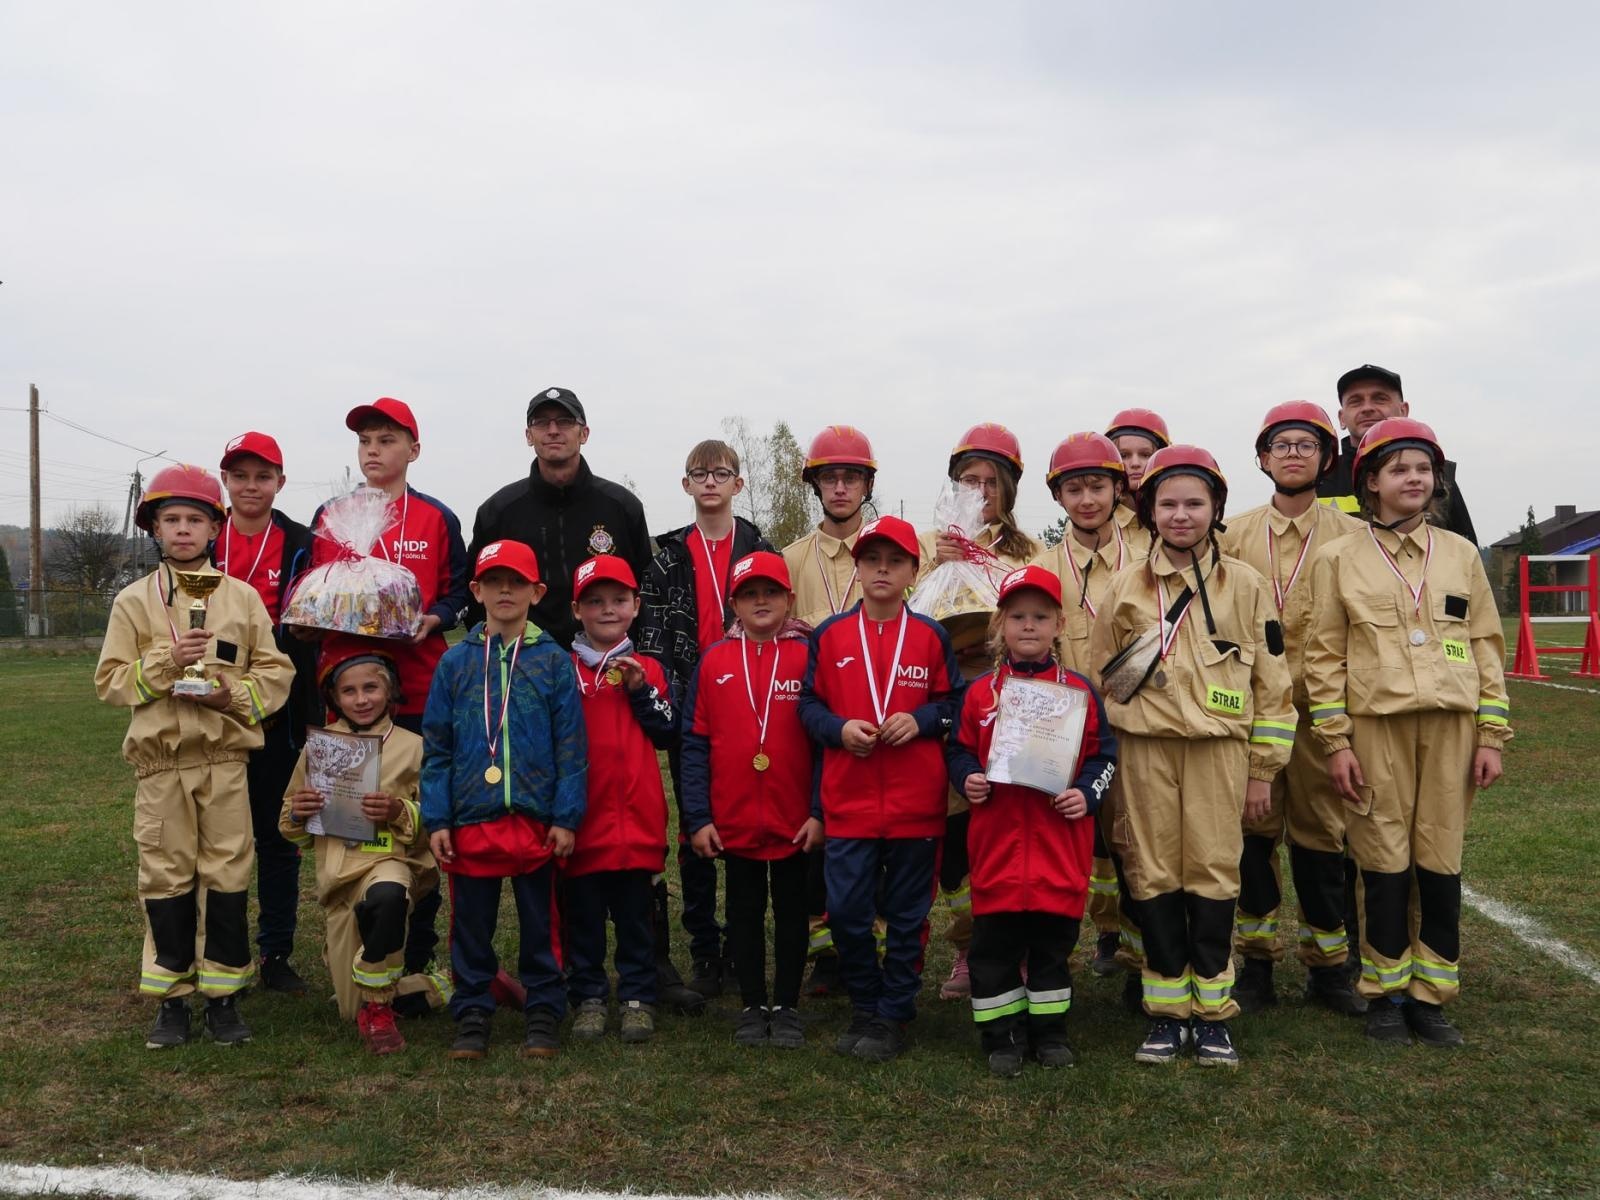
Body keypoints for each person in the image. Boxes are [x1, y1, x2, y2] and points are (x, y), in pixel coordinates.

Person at [1304, 418, 1509, 1047]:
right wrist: (1336, 742)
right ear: (1370, 481)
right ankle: (1386, 993)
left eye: (1424, 468)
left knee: (1440, 861)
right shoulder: (1339, 557)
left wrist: (1491, 733)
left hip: (1451, 727)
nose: (1414, 478)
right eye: (1398, 469)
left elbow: (1485, 644)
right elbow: (1323, 655)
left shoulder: (1461, 554)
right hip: (1375, 729)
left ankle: (1431, 996)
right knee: (1383, 861)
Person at [1087, 446, 1294, 1068]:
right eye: (1168, 503)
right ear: (1149, 510)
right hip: (1144, 753)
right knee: (1151, 876)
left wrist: (1262, 772)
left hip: (1219, 756)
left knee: (1213, 874)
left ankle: (1213, 1015)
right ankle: (1166, 1011)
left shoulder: (1248, 587)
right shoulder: (1123, 588)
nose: (1181, 515)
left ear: (1216, 508)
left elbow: (1273, 688)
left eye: (1195, 503)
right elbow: (1102, 678)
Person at [95, 464, 293, 1048]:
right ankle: (172, 1000)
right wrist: (166, 662)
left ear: (215, 528)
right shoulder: (132, 602)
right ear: (155, 528)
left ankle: (224, 996)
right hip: (161, 768)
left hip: (225, 763)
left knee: (227, 875)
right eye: (172, 519)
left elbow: (276, 673)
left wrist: (231, 696)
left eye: (195, 520)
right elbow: (110, 681)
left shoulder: (242, 599)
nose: (183, 530)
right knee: (165, 877)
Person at [305, 397, 470, 1001]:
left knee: (418, 829)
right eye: (365, 441)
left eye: (387, 440)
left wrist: (436, 617)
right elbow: (310, 591)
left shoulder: (436, 517)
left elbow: (461, 593)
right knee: (349, 827)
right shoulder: (331, 516)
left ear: (413, 450)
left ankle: (414, 960)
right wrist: (310, 617)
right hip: (347, 697)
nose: (373, 451)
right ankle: (358, 959)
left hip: (421, 693)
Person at [1216, 403, 1366, 1017]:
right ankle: (1255, 965)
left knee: (1321, 839)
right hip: (1250, 713)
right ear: (1263, 458)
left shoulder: (1353, 537)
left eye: (1307, 445)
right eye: (1281, 445)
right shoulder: (1231, 535)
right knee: (1252, 838)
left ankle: (1329, 967)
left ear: (1327, 459)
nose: (1294, 454)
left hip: (1322, 714)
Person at [799, 515, 965, 1062]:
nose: (882, 570)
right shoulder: (830, 635)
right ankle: (866, 1003)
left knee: (907, 917)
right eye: (872, 560)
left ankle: (893, 1012)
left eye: (895, 561)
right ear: (858, 567)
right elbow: (808, 707)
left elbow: (953, 704)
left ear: (914, 571)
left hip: (916, 804)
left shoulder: (931, 636)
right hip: (848, 802)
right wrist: (839, 729)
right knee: (847, 912)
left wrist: (920, 721)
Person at [946, 564, 1118, 1076]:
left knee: (1052, 948)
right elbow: (958, 751)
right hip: (997, 847)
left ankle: (1050, 1034)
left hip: (1057, 847)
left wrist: (1086, 794)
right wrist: (967, 777)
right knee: (993, 949)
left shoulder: (1080, 694)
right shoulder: (981, 693)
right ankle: (1001, 1037)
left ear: (1059, 625)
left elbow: (1103, 757)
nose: (1028, 625)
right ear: (999, 625)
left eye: (1040, 617)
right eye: (1017, 616)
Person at [420, 540, 587, 1060]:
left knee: (542, 923)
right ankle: (473, 1010)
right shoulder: (454, 663)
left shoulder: (554, 661)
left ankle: (544, 1009)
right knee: (471, 926)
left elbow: (572, 747)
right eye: (494, 582)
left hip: (537, 820)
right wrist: (437, 818)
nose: (506, 591)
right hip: (471, 818)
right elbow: (437, 747)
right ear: (476, 590)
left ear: (537, 592)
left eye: (517, 582)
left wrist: (566, 815)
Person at [640, 439, 773, 999]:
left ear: (738, 484)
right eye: (700, 474)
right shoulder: (666, 556)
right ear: (687, 484)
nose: (711, 482)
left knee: (745, 826)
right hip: (693, 707)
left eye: (721, 473)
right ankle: (703, 947)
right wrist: (672, 701)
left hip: (751, 706)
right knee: (695, 825)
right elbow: (651, 637)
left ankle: (741, 946)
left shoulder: (760, 547)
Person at [918, 423, 1040, 1003]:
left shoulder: (1028, 551)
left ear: (1010, 488)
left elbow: (1041, 621)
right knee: (955, 831)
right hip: (945, 708)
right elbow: (906, 617)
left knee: (1010, 828)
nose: (982, 491)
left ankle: (1016, 951)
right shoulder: (928, 545)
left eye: (993, 481)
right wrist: (935, 569)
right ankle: (968, 948)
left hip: (1011, 706)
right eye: (970, 481)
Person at [683, 552, 823, 1048]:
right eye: (749, 594)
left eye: (771, 592)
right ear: (734, 604)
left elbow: (824, 745)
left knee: (791, 914)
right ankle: (750, 1004)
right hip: (734, 818)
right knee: (742, 914)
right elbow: (695, 743)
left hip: (793, 819)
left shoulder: (808, 657)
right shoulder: (714, 660)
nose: (760, 601)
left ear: (789, 598)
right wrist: (698, 817)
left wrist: (818, 811)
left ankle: (785, 1005)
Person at [278, 639, 444, 1054]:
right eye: (349, 691)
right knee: (348, 1010)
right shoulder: (319, 748)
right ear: (334, 698)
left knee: (388, 895)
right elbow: (290, 826)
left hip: (392, 863)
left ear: (390, 691)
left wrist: (398, 810)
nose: (361, 699)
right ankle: (441, 986)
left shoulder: (414, 746)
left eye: (371, 688)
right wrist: (299, 812)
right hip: (339, 878)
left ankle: (379, 1007)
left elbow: (437, 824)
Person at [1032, 432, 1150, 993]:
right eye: (1074, 489)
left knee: (1137, 845)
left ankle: (1140, 960)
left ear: (1117, 489)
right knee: (1073, 845)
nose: (1086, 500)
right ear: (1058, 496)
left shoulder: (1149, 559)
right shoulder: (1042, 567)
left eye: (1098, 486)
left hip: (1137, 728)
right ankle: (1085, 943)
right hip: (1065, 735)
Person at [216, 431, 318, 996]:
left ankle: (275, 954)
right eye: (240, 476)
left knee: (278, 838)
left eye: (262, 476)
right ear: (225, 480)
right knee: (220, 840)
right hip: (214, 718)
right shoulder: (206, 537)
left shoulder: (301, 541)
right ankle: (223, 952)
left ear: (280, 481)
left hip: (278, 715)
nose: (250, 486)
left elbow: (311, 634)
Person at [781, 424, 878, 996]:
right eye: (830, 478)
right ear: (815, 485)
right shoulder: (791, 558)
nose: (840, 488)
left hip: (880, 717)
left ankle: (873, 947)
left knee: (877, 837)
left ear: (867, 484)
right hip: (813, 718)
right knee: (818, 838)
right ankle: (826, 954)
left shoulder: (894, 551)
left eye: (851, 477)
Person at [565, 554, 676, 1045]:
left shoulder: (649, 668)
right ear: (577, 610)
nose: (607, 609)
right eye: (594, 601)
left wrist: (639, 690)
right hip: (582, 820)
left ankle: (637, 996)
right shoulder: (562, 669)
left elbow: (667, 729)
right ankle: (588, 996)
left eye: (618, 600)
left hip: (636, 821)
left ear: (635, 606)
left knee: (636, 918)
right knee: (584, 918)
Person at [467, 387, 652, 649]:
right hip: (524, 661)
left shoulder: (622, 507)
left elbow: (646, 590)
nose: (553, 430)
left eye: (564, 421)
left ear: (584, 433)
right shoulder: (497, 512)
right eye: (542, 422)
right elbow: (475, 596)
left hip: (607, 660)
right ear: (529, 435)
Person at [1317, 365, 1477, 544]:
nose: (1367, 408)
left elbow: (1464, 552)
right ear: (1341, 417)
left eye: (1380, 399)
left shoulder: (1438, 475)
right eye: (1356, 401)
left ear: (1404, 411)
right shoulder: (1318, 477)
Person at [1104, 408, 1172, 535]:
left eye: (1145, 455)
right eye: (1124, 455)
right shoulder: (1098, 522)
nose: (1135, 463)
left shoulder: (1178, 518)